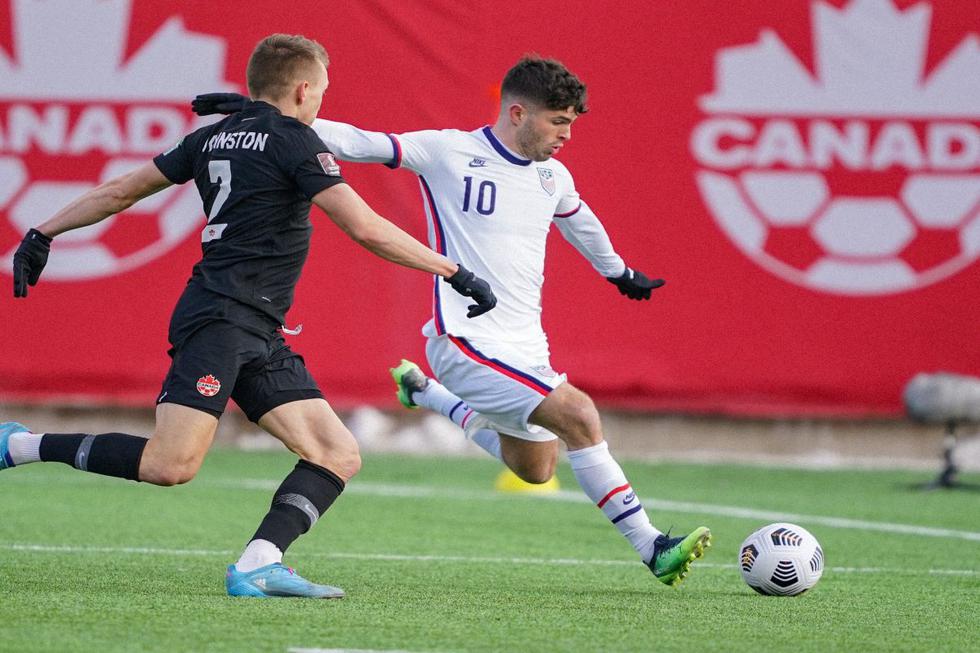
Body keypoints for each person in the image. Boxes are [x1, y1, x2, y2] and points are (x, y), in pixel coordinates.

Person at [1, 33, 496, 599]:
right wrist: (454, 271)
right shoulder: (295, 142)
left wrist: (43, 231)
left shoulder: (214, 137)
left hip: (257, 327)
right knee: (171, 464)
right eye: (321, 93)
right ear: (305, 88)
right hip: (220, 319)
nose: (321, 105)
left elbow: (120, 192)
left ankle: (259, 565)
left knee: (335, 452)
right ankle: (20, 445)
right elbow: (366, 228)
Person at [191, 55, 710, 587]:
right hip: (464, 341)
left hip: (526, 349)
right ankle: (653, 547)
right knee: (580, 415)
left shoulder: (553, 177)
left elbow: (581, 221)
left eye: (571, 123)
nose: (566, 135)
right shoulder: (448, 150)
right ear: (517, 113)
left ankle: (425, 395)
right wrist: (267, 119)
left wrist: (619, 271)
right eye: (559, 121)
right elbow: (358, 141)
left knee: (536, 469)